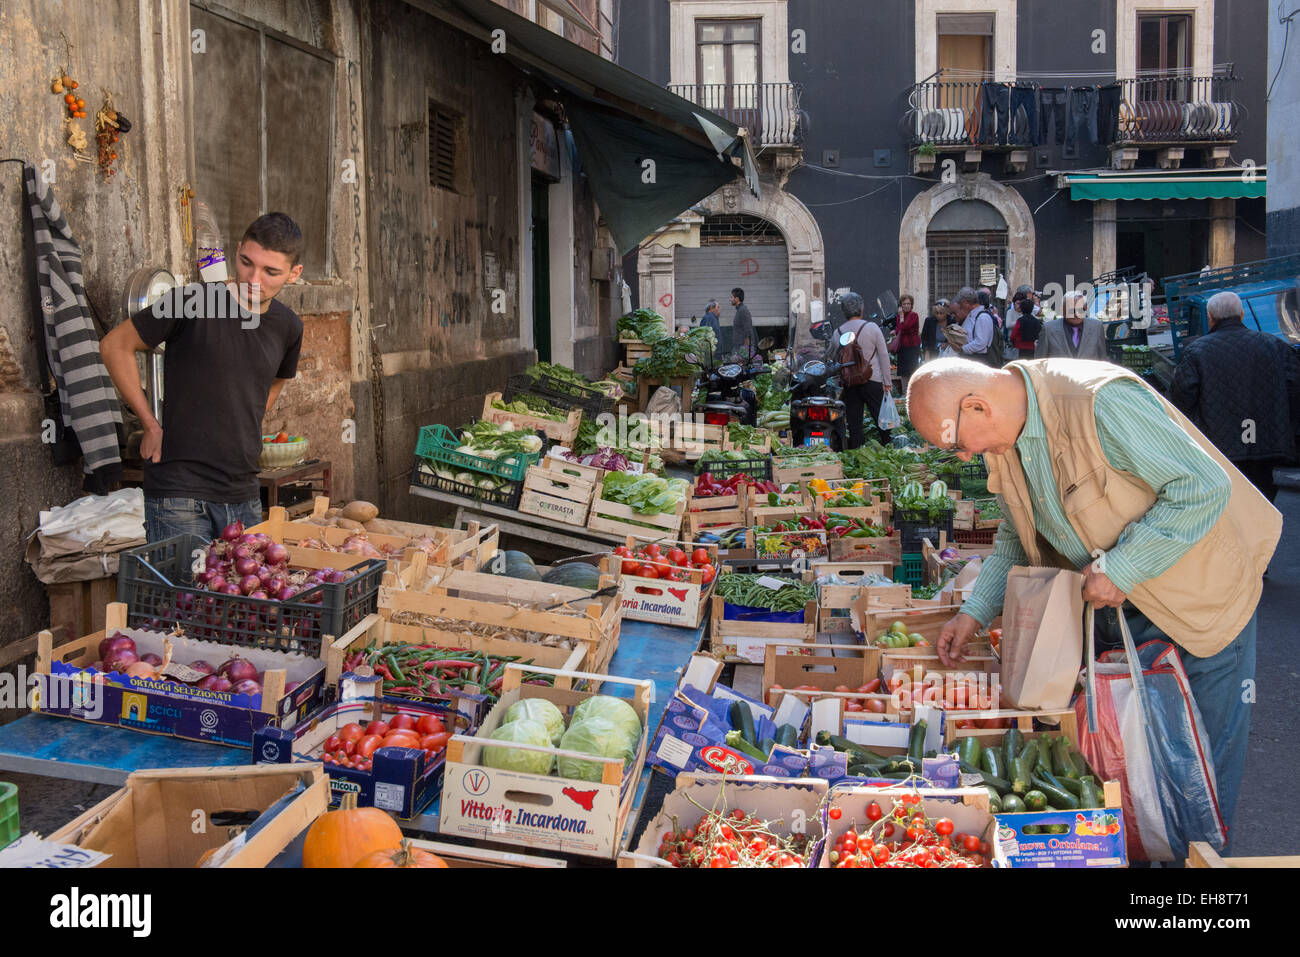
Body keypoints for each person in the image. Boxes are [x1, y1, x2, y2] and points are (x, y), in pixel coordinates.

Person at [906, 356, 1281, 836]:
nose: (961, 457)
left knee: (1196, 774)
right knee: (1136, 766)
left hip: (1198, 605)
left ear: (978, 406)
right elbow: (1016, 540)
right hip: (1118, 615)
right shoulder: (1005, 444)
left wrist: (1124, 566)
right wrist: (974, 613)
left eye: (954, 443)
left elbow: (1203, 486)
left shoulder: (1099, 402)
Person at [101, 212, 305, 542]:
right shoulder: (191, 302)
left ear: (293, 274)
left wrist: (240, 421)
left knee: (240, 592)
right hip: (178, 491)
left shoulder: (289, 327)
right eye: (246, 263)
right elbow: (114, 346)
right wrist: (150, 424)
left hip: (243, 493)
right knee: (185, 595)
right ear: (237, 250)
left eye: (271, 272)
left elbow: (276, 381)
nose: (254, 279)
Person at [1168, 291, 1300, 503]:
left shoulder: (1196, 352)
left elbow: (1182, 398)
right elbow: (1294, 390)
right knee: (1262, 496)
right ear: (1242, 314)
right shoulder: (1275, 346)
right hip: (1266, 440)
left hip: (1218, 442)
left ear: (1210, 317)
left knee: (1227, 500)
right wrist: (1285, 425)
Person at [836, 292, 893, 448]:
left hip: (850, 384)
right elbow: (883, 356)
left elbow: (833, 359)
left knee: (854, 425)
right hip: (873, 380)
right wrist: (887, 382)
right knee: (882, 421)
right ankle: (889, 449)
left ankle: (857, 454)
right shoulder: (872, 328)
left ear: (843, 311)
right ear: (861, 308)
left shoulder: (838, 333)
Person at [1036, 291, 1107, 361]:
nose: (1076, 314)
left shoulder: (1097, 327)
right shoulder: (1048, 329)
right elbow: (1039, 362)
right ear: (1062, 310)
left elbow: (1102, 359)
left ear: (1085, 308)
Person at [949, 286, 999, 365]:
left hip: (979, 360)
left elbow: (980, 343)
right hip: (969, 359)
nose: (960, 307)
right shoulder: (971, 316)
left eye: (960, 304)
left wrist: (962, 349)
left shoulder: (982, 317)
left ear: (965, 303)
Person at [891, 294, 922, 382]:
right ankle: (905, 392)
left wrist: (901, 317)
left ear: (911, 305)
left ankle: (912, 391)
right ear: (901, 305)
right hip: (902, 347)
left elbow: (905, 327)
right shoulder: (899, 316)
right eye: (904, 304)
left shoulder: (914, 315)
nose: (906, 306)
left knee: (912, 371)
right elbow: (898, 329)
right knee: (903, 372)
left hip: (912, 346)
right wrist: (895, 331)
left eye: (908, 304)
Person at [1008, 285, 1043, 358]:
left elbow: (1013, 335)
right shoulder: (1036, 321)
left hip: (1020, 347)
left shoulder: (1020, 321)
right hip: (1032, 347)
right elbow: (1040, 334)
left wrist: (1014, 342)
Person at [730, 287, 755, 360]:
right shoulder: (739, 310)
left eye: (731, 297)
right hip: (739, 347)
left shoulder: (743, 310)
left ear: (737, 299)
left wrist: (746, 351)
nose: (730, 299)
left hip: (742, 348)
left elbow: (748, 330)